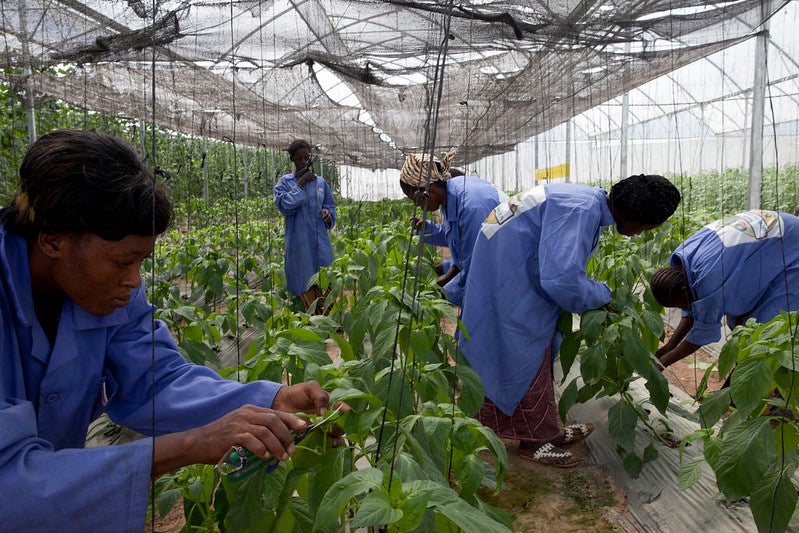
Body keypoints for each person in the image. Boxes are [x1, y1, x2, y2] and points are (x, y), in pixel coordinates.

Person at [0, 129, 339, 531]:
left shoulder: (107, 289)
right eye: (123, 262)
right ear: (53, 241)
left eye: (141, 262)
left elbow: (154, 379)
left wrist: (274, 399)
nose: (135, 280)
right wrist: (192, 444)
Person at [459, 175, 681, 467]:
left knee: (518, 357)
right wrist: (602, 295)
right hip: (510, 282)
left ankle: (545, 430)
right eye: (647, 227)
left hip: (506, 273)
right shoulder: (580, 210)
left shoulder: (583, 200)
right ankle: (535, 442)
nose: (641, 234)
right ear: (635, 217)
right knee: (525, 360)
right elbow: (561, 280)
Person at [650, 210, 799, 369]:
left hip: (792, 244)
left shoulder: (708, 281)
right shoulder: (681, 261)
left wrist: (662, 364)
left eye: (680, 305)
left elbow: (701, 335)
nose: (683, 309)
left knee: (762, 329)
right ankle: (738, 381)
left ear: (683, 289)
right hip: (776, 230)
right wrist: (669, 346)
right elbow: (693, 312)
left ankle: (742, 387)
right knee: (740, 324)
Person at [399, 151, 505, 306]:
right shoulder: (451, 196)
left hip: (507, 266)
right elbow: (457, 237)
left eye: (415, 199)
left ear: (427, 189)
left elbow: (476, 269)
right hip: (493, 260)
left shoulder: (471, 206)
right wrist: (427, 228)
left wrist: (441, 295)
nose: (417, 205)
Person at [274, 139, 336, 313]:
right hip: (298, 245)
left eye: (306, 158)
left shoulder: (320, 183)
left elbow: (330, 205)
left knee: (325, 277)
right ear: (292, 159)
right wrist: (300, 184)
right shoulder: (284, 183)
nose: (303, 162)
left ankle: (329, 321)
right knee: (303, 279)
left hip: (320, 243)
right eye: (299, 159)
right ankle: (308, 324)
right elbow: (285, 206)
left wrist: (327, 213)